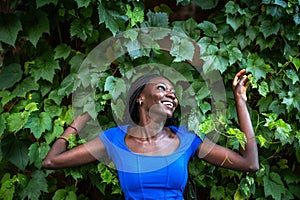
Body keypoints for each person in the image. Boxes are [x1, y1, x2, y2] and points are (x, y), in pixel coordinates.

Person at [42, 69, 259, 199]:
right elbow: (52, 161)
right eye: (162, 88)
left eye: (173, 94)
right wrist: (78, 123)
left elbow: (249, 163)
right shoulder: (114, 140)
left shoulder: (186, 140)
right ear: (140, 98)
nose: (171, 96)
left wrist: (240, 101)